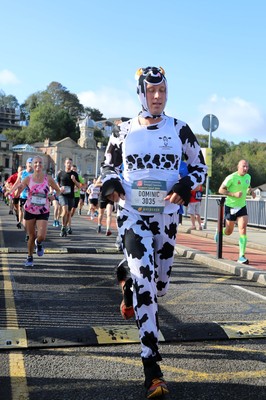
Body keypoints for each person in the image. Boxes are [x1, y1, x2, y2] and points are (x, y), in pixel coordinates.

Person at [101, 66, 207, 398]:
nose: (157, 97)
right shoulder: (123, 130)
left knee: (159, 286)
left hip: (167, 218)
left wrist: (186, 183)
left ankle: (127, 276)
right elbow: (107, 166)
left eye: (162, 91)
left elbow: (199, 167)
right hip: (133, 215)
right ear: (141, 93)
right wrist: (111, 184)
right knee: (146, 283)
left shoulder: (180, 129)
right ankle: (152, 368)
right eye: (151, 92)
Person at [7, 155, 61, 267]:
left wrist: (54, 196)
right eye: (35, 163)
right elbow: (20, 188)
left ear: (43, 165)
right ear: (32, 165)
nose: (38, 165)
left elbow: (58, 190)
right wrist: (15, 192)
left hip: (43, 210)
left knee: (41, 236)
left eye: (40, 163)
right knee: (31, 235)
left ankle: (39, 243)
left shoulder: (48, 178)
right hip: (30, 209)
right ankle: (30, 257)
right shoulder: (28, 178)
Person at [218, 159, 256, 264]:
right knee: (229, 231)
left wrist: (251, 192)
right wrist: (234, 194)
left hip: (242, 206)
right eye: (243, 166)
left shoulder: (248, 177)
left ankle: (241, 256)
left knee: (243, 229)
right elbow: (220, 190)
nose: (245, 169)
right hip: (230, 207)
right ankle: (220, 233)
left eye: (247, 167)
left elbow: (247, 186)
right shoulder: (231, 177)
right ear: (238, 167)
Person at [57, 158, 80, 237]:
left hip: (71, 196)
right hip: (62, 195)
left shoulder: (75, 174)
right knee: (65, 210)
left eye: (70, 163)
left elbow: (79, 186)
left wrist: (74, 180)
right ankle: (63, 227)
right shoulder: (61, 174)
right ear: (64, 164)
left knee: (68, 213)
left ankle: (64, 227)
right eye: (67, 163)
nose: (69, 164)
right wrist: (59, 188)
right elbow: (57, 184)